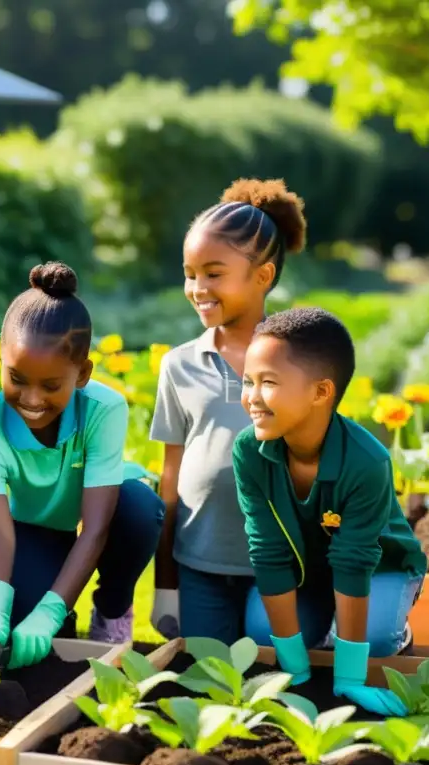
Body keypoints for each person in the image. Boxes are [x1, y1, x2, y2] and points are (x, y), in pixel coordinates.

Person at [0, 262, 164, 670]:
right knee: (21, 629)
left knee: (141, 509)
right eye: (16, 378)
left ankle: (111, 608)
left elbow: (97, 527)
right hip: (34, 525)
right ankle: (57, 615)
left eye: (51, 386)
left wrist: (49, 611)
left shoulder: (104, 409)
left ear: (83, 373)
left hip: (105, 512)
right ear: (1, 359)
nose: (31, 399)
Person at [234, 307, 428, 715]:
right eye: (248, 381)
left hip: (379, 568)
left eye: (268, 383)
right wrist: (294, 667)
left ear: (321, 392)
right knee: (263, 632)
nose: (251, 397)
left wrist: (350, 678)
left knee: (373, 640)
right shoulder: (249, 450)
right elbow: (267, 550)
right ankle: (323, 631)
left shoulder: (366, 461)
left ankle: (390, 626)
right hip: (311, 571)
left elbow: (355, 560)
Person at [149, 178, 307, 643]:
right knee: (208, 679)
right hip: (200, 564)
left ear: (262, 277)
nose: (197, 288)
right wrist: (165, 583)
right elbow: (170, 477)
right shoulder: (178, 365)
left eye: (213, 273)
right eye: (190, 273)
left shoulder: (299, 360)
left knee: (274, 682)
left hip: (280, 567)